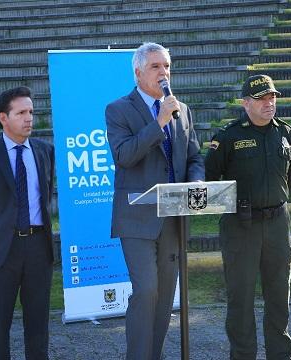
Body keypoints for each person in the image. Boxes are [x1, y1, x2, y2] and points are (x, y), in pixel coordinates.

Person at [105, 42, 204, 360]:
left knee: (164, 299)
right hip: (137, 219)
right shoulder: (119, 109)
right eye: (156, 67)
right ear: (138, 72)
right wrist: (159, 121)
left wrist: (196, 183)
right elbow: (124, 156)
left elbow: (194, 156)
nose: (164, 73)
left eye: (166, 67)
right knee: (146, 291)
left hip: (173, 217)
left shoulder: (182, 110)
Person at [204, 74, 291, 360]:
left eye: (272, 97)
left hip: (277, 224)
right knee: (241, 298)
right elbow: (209, 179)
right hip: (240, 226)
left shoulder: (285, 133)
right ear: (245, 103)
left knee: (279, 294)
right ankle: (243, 355)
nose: (269, 103)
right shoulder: (228, 136)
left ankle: (280, 353)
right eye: (261, 98)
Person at [0, 86, 55, 360]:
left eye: (31, 112)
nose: (29, 118)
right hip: (3, 250)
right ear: (3, 118)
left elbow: (45, 195)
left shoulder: (44, 151)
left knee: (38, 324)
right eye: (21, 113)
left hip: (39, 247)